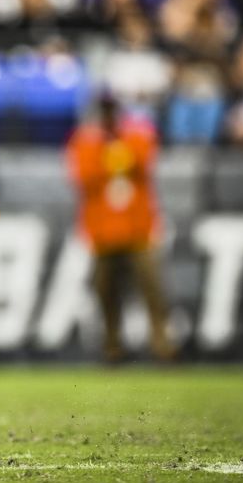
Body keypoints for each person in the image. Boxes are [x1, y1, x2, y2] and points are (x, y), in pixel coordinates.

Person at [66, 91, 175, 363]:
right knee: (106, 292)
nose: (108, 118)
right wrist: (113, 156)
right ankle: (113, 346)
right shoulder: (85, 141)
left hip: (138, 228)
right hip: (103, 232)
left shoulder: (135, 135)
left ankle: (162, 344)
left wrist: (116, 153)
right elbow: (83, 176)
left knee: (152, 289)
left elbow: (144, 159)